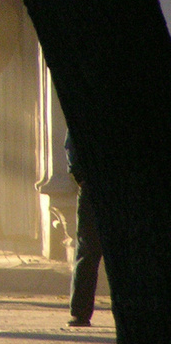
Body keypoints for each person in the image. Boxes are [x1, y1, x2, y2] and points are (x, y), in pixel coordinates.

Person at [63, 130, 105, 327]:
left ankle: (80, 311)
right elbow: (71, 144)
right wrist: (81, 176)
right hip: (93, 186)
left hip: (100, 184)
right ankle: (80, 311)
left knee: (87, 250)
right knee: (88, 249)